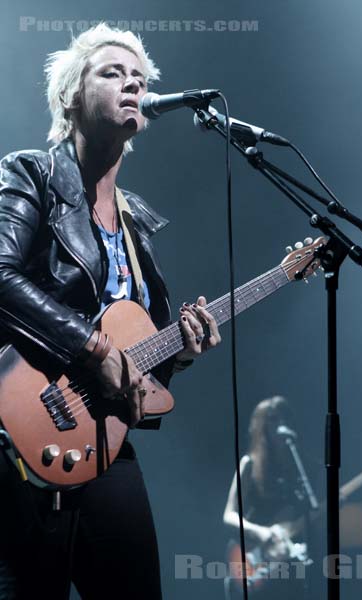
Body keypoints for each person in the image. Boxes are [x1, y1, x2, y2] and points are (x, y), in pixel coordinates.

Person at [0, 23, 221, 599]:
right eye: (113, 73)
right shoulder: (31, 174)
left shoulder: (136, 219)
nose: (132, 85)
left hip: (104, 441)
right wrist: (91, 347)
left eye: (140, 79)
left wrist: (182, 349)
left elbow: (138, 359)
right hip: (19, 428)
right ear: (71, 96)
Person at [223, 396, 312, 600]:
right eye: (273, 419)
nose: (281, 424)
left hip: (288, 563)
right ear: (261, 427)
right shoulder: (250, 465)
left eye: (285, 418)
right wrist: (262, 533)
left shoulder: (298, 467)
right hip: (256, 556)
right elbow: (229, 515)